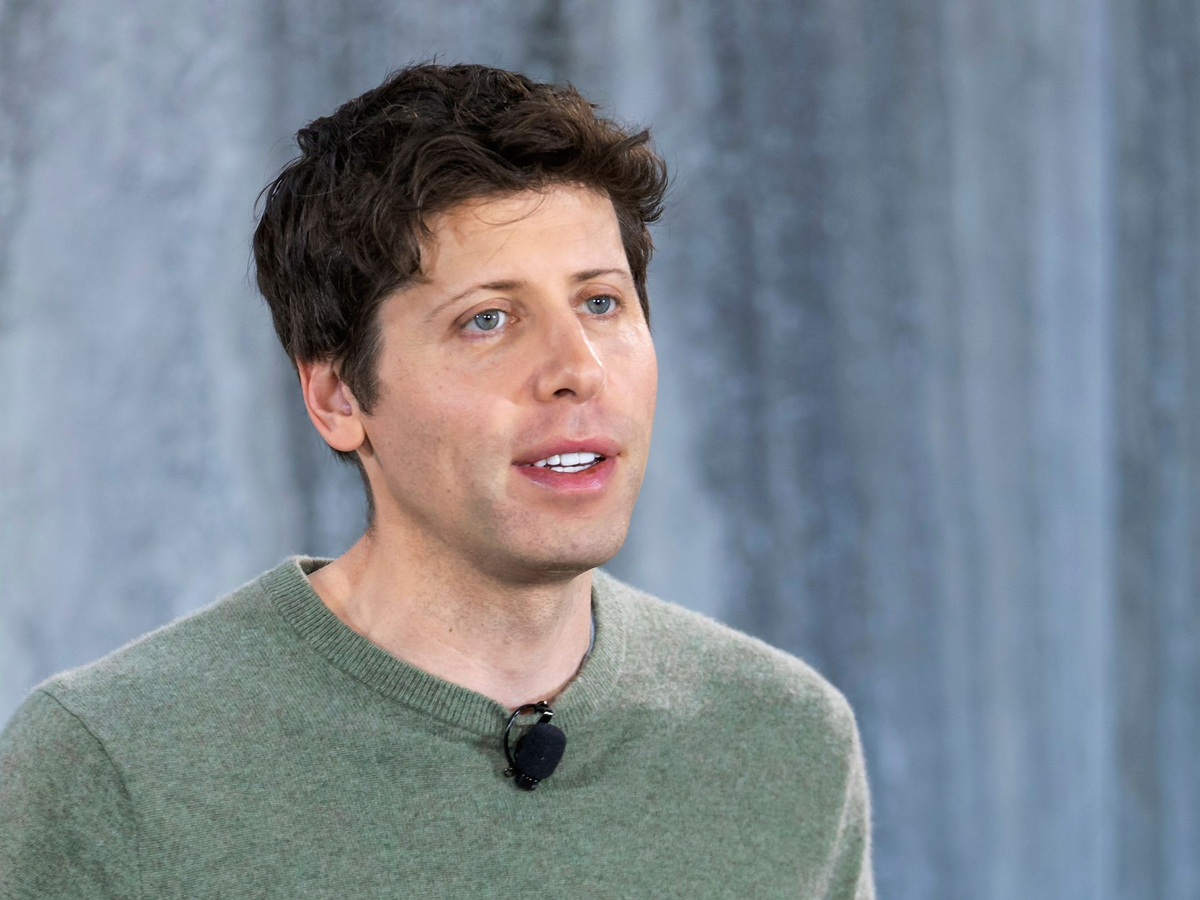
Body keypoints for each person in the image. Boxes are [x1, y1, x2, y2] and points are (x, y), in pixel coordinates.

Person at [0, 62, 875, 897]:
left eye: (601, 302)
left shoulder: (787, 741)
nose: (578, 368)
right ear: (339, 397)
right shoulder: (113, 763)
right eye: (488, 319)